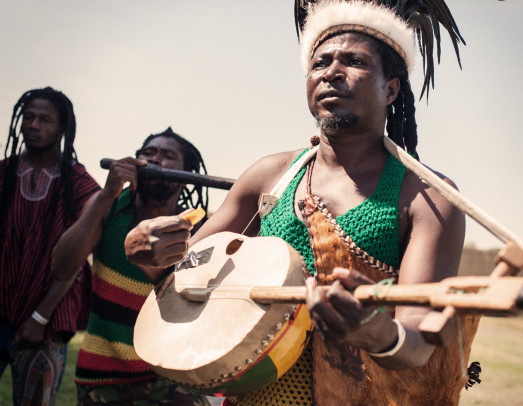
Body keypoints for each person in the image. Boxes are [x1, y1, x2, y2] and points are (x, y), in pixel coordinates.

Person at [124, 1, 480, 404]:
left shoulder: (428, 196)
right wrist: (149, 257)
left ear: (391, 89)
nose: (331, 72)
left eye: (353, 61)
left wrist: (376, 331)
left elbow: (418, 344)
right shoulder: (269, 175)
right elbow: (181, 280)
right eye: (320, 62)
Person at [51, 127, 210, 405]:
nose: (155, 160)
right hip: (102, 374)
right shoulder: (108, 207)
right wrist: (105, 195)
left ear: (187, 176)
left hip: (171, 372)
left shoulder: (198, 226)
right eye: (147, 153)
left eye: (168, 156)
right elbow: (61, 268)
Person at [0, 87, 101, 405]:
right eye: (28, 117)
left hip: (49, 317)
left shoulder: (80, 184)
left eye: (45, 119)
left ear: (62, 127)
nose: (33, 125)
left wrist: (39, 318)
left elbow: (76, 259)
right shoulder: (3, 173)